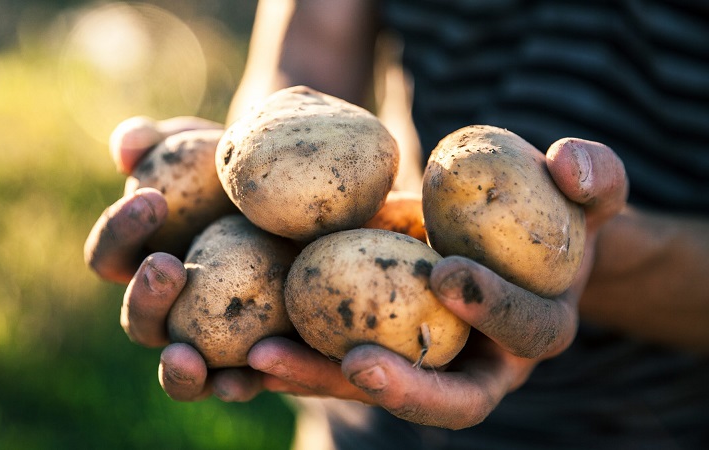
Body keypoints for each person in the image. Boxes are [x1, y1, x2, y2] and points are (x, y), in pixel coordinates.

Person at [84, 1, 709, 448]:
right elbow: (307, 54)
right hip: (369, 418)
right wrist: (242, 168)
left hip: (652, 418)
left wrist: (576, 258)